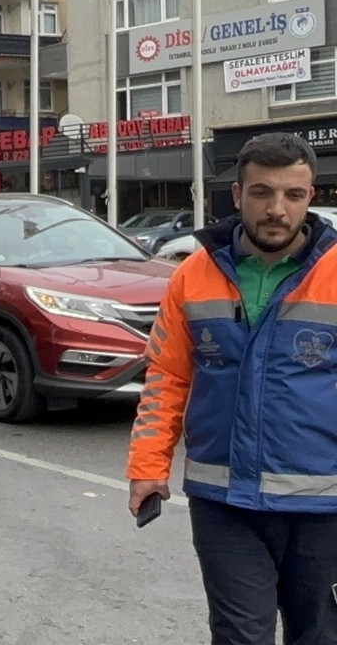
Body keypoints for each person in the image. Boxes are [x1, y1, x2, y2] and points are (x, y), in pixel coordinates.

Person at [127, 132, 337, 645]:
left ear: (312, 197)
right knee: (240, 635)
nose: (277, 209)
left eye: (293, 195)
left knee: (320, 635)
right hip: (224, 500)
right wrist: (147, 468)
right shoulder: (192, 275)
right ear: (237, 194)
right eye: (262, 192)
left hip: (323, 505)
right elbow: (167, 375)